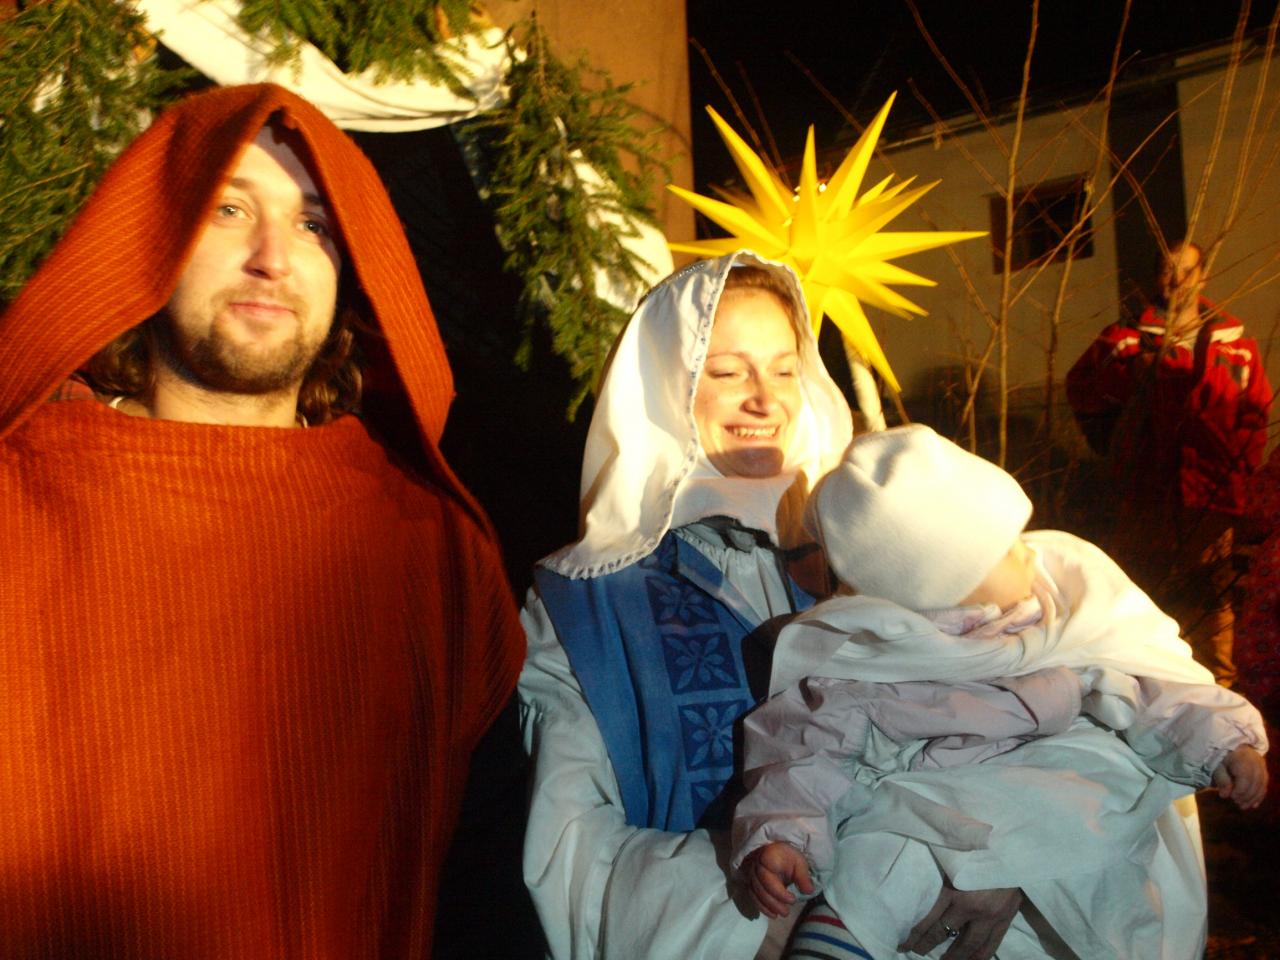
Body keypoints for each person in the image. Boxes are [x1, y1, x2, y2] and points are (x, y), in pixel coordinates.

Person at [0, 84, 525, 957]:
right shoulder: (20, 501)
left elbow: (482, 889)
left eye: (314, 224)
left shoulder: (431, 548)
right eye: (229, 209)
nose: (272, 257)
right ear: (152, 239)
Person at [519, 251, 1080, 960]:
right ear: (666, 386)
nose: (765, 399)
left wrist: (1003, 859)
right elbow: (569, 856)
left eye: (785, 370)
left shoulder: (889, 550)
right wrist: (766, 917)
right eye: (727, 372)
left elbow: (1038, 710)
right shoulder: (583, 606)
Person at [734, 425, 1267, 960]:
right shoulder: (872, 658)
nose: (1031, 553)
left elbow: (1149, 684)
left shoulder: (1065, 615)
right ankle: (840, 940)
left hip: (1060, 802)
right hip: (933, 811)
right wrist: (785, 835)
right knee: (886, 853)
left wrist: (1223, 741)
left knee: (1109, 884)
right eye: (1008, 548)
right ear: (947, 583)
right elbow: (805, 753)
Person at [1066, 240, 1272, 687]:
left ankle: (1219, 688)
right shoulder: (1123, 339)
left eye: (1186, 271)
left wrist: (1238, 473)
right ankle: (1153, 685)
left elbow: (1255, 412)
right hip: (1146, 494)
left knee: (1211, 593)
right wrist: (1126, 399)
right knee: (1143, 592)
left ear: (1203, 276)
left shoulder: (1235, 344)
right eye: (1167, 270)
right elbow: (1083, 392)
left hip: (1211, 495)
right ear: (1156, 276)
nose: (1176, 281)